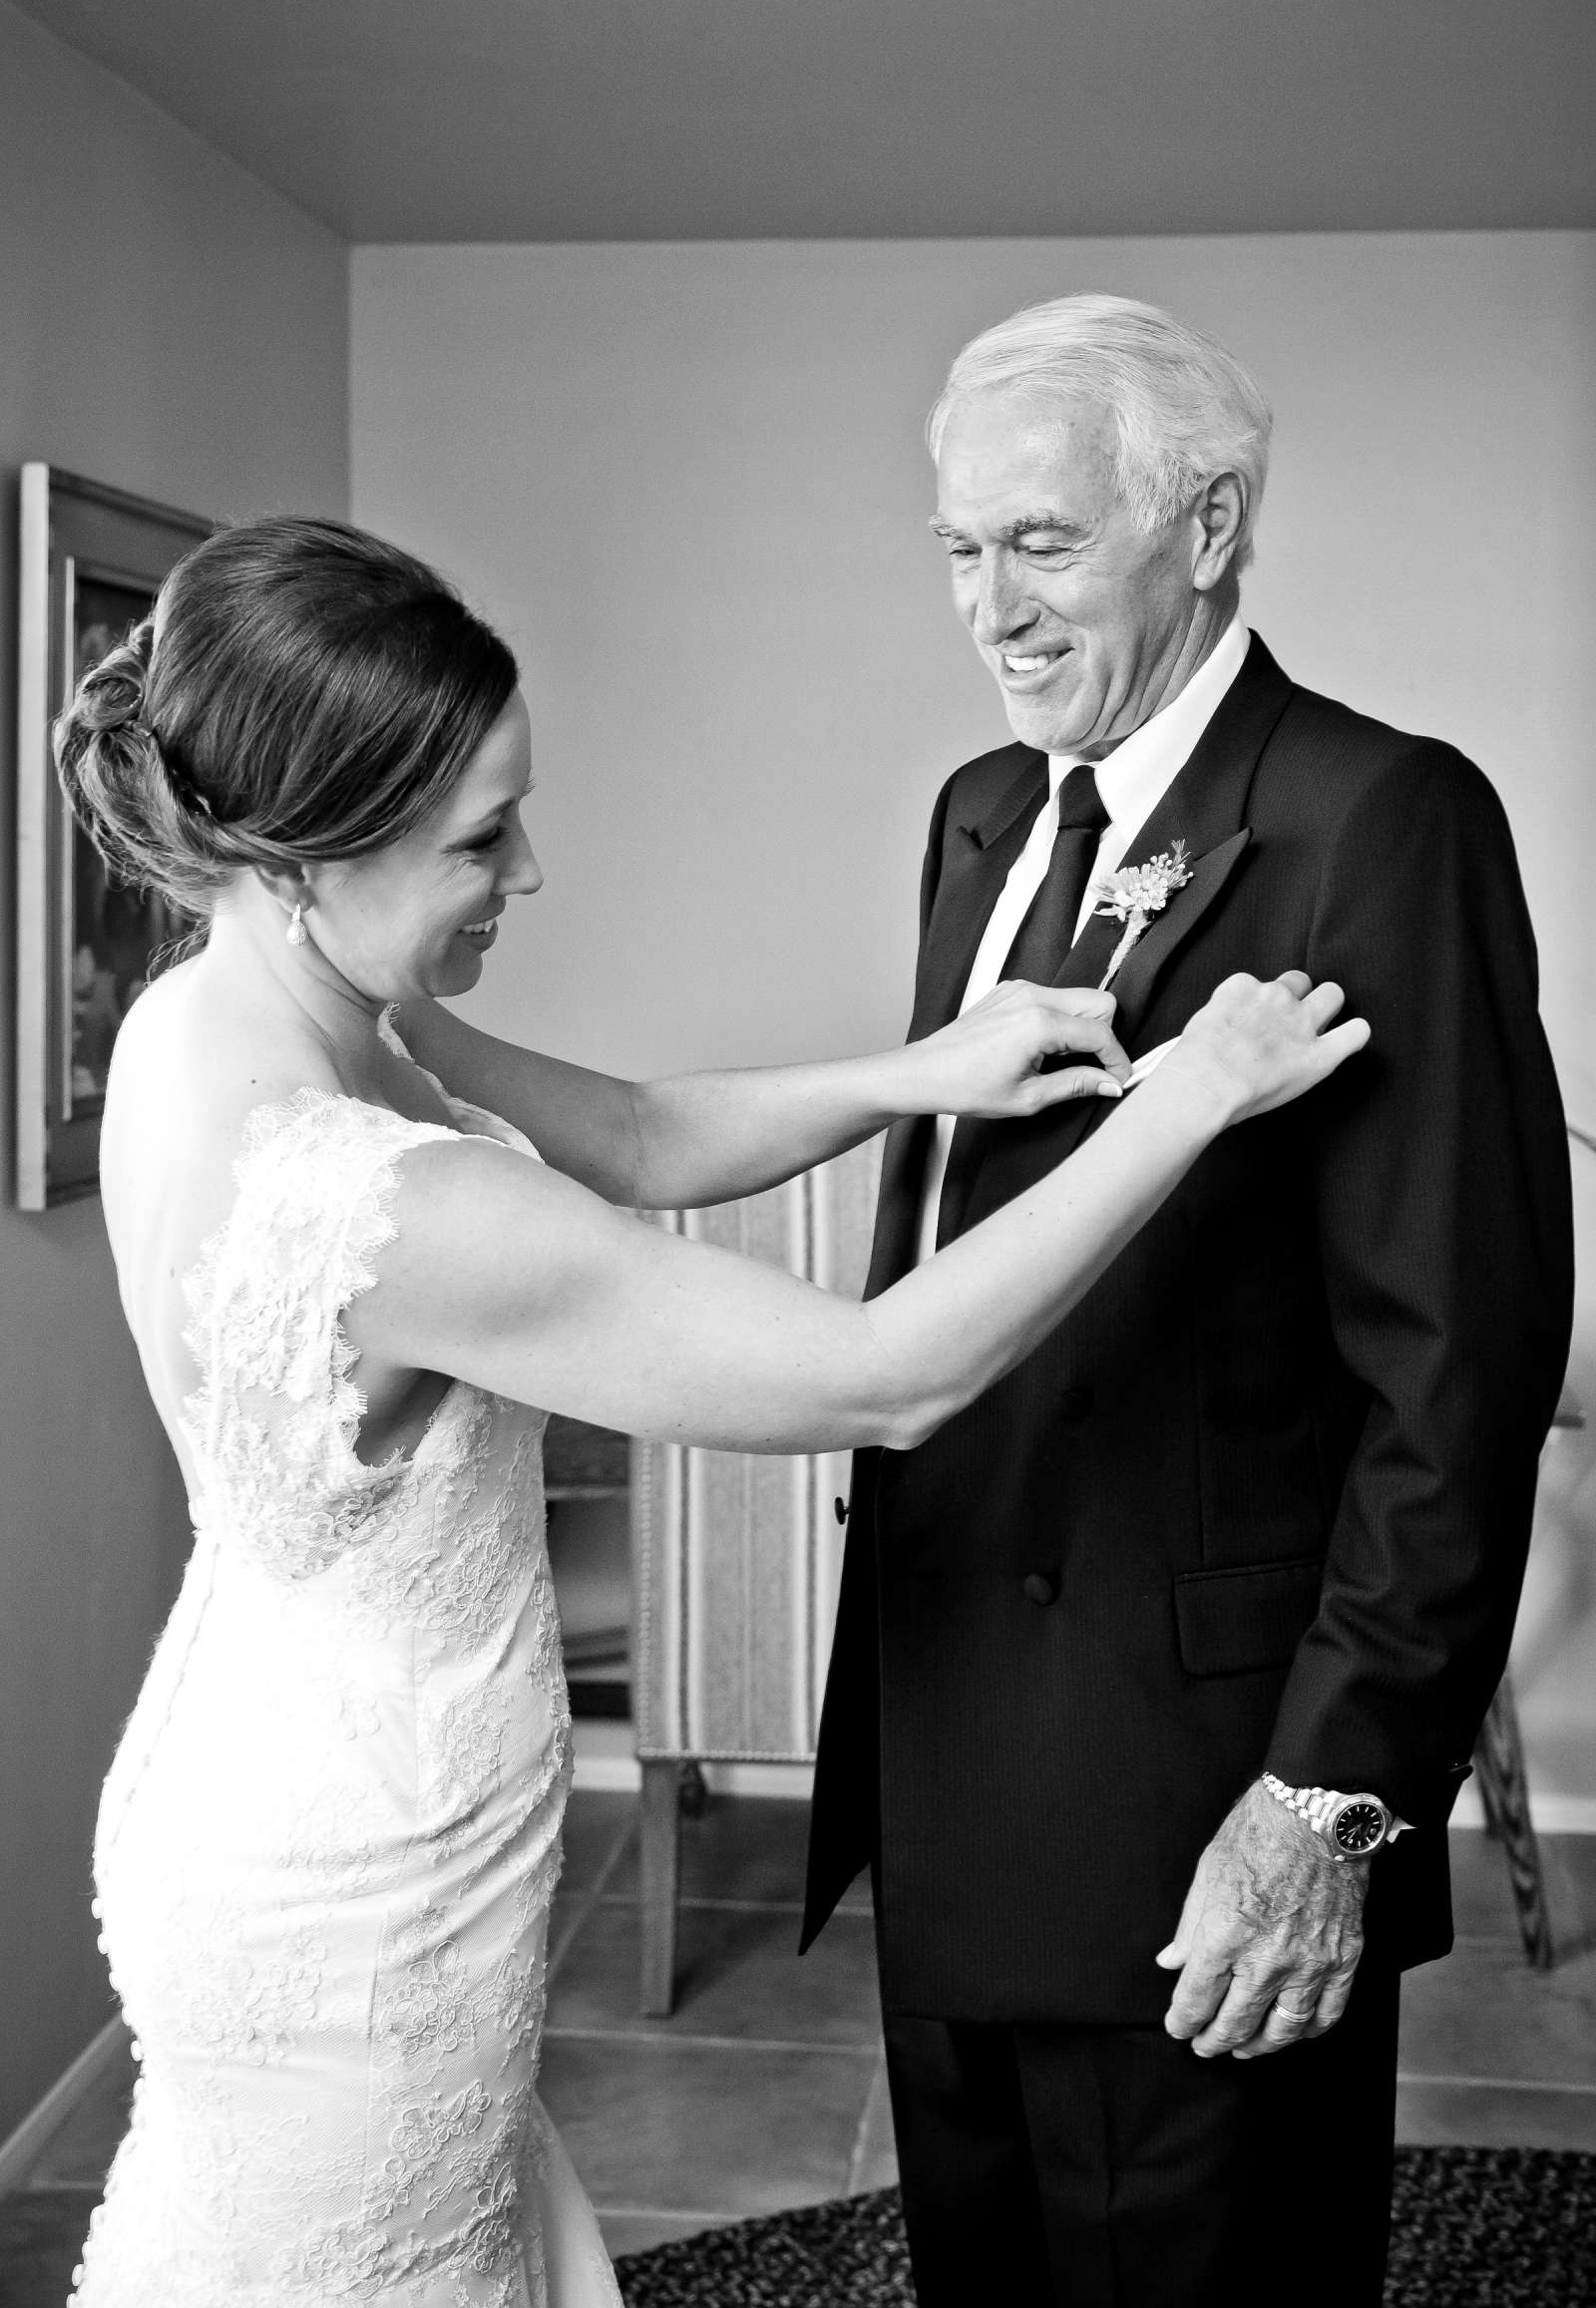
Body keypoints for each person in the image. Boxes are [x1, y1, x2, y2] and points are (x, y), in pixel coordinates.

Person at [54, 515, 1363, 2307]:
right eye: (479, 837)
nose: (528, 865)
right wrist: (1190, 1093)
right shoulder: (388, 1208)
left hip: (256, 1758)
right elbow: (890, 1376)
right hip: (363, 1884)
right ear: (306, 854)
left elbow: (643, 1137)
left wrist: (923, 1072)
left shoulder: (221, 1017)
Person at [801, 294, 1575, 2307]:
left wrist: (1326, 1799)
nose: (988, 607)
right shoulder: (976, 814)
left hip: (1193, 1780)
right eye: (958, 552)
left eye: (1039, 543)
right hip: (951, 1723)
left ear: (1207, 522)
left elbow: (1456, 1368)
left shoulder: (1378, 820)